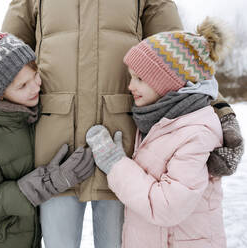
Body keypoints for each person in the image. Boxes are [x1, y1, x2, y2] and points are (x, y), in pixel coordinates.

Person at [1, 1, 243, 247]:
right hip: (54, 148)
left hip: (123, 146)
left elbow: (180, 60)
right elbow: (3, 61)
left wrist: (221, 112)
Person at [86, 17, 243, 248]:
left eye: (140, 78)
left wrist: (115, 164)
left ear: (171, 83)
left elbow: (168, 206)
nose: (130, 86)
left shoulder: (196, 133)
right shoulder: (158, 119)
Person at [0, 21, 95, 248]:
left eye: (34, 75)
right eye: (22, 86)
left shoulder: (23, 110)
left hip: (19, 234)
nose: (35, 87)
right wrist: (50, 182)